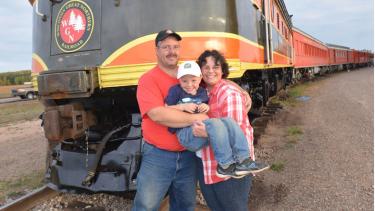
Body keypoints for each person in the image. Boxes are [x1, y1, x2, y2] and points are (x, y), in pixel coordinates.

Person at [133, 29, 208, 211]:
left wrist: (240, 89)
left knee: (185, 206)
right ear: (156, 50)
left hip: (188, 155)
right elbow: (158, 115)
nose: (171, 51)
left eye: (175, 46)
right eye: (165, 47)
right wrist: (199, 117)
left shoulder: (190, 74)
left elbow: (216, 80)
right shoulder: (148, 79)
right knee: (146, 206)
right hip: (158, 157)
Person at [165, 61, 269, 178]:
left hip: (201, 128)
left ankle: (244, 160)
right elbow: (166, 109)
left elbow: (222, 81)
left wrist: (242, 91)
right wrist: (182, 107)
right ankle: (225, 166)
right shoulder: (176, 91)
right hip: (186, 134)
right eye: (184, 81)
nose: (189, 84)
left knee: (229, 121)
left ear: (200, 79)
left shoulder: (201, 91)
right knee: (215, 122)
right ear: (179, 80)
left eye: (193, 80)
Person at [192, 50, 257, 211]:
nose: (210, 71)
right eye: (205, 67)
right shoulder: (203, 91)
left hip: (232, 168)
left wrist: (207, 132)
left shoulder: (229, 93)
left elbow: (236, 131)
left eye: (216, 67)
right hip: (209, 163)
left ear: (222, 70)